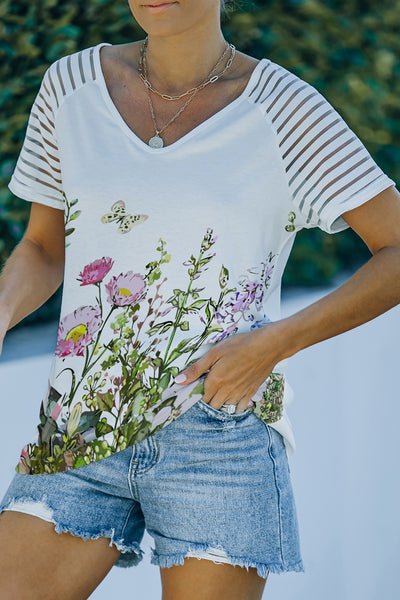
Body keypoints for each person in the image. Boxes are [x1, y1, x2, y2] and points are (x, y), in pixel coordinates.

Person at [0, 0, 399, 598]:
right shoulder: (69, 87)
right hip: (78, 427)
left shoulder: (285, 109)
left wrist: (272, 344)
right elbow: (43, 248)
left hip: (220, 434)